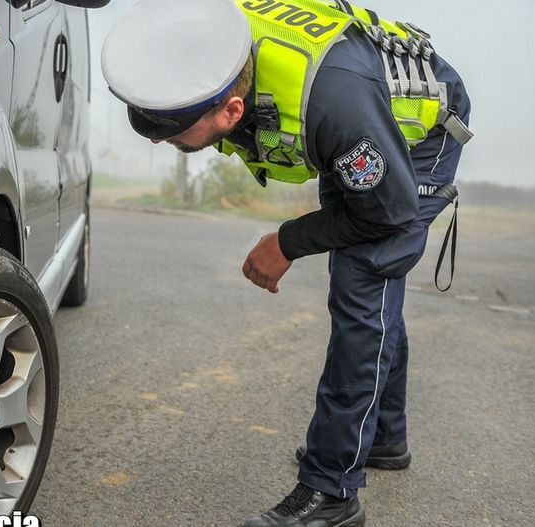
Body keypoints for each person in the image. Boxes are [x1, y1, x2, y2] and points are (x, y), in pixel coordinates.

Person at [102, 0, 472, 525]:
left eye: (171, 130)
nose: (160, 140)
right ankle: (384, 436)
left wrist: (287, 241)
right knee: (368, 282)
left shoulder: (333, 107)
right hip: (364, 109)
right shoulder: (218, 36)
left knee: (363, 280)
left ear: (231, 111)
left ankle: (332, 491)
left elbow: (387, 211)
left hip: (421, 131)